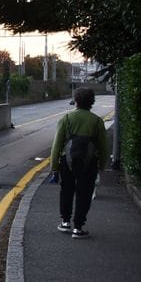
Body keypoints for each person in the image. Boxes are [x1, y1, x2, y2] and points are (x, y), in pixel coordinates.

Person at [50, 87, 109, 239]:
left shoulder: (67, 118)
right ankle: (78, 227)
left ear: (76, 101)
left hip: (67, 160)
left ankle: (65, 222)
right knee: (84, 194)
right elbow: (103, 146)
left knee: (67, 191)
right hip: (89, 162)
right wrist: (102, 165)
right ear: (92, 102)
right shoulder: (97, 121)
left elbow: (57, 144)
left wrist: (54, 167)